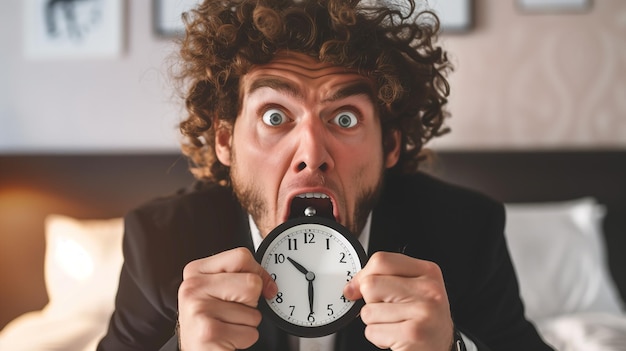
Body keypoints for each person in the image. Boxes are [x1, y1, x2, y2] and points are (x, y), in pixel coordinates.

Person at [98, 0, 554, 350]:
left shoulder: (467, 230)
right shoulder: (160, 241)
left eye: (346, 118)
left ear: (390, 144)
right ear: (224, 141)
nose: (312, 154)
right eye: (275, 117)